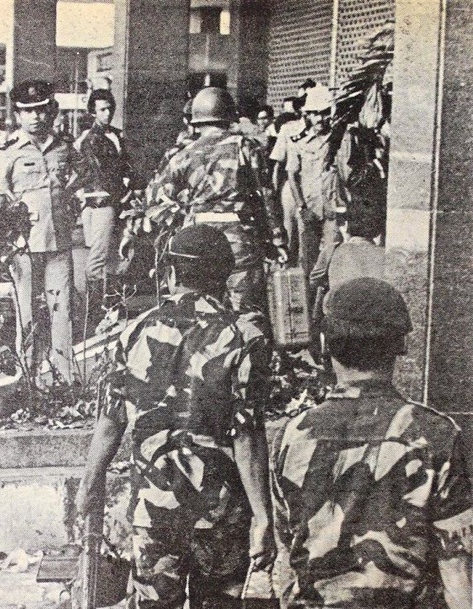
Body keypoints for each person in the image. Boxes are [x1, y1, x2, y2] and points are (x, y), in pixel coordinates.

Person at [76, 224, 275, 609]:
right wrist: (262, 516)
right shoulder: (244, 338)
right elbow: (247, 434)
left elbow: (111, 420)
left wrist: (90, 482)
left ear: (169, 272)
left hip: (153, 507)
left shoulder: (134, 331)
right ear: (225, 277)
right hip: (220, 511)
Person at [270, 277, 472, 609]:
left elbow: (288, 554)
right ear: (400, 346)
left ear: (324, 345)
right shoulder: (436, 435)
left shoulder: (292, 434)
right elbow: (459, 571)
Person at [141, 87, 286, 315]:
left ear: (197, 120)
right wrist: (277, 240)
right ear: (229, 116)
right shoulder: (246, 147)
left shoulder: (183, 154)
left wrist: (183, 220)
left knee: (202, 312)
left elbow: (153, 201)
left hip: (198, 245)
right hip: (240, 242)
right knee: (246, 314)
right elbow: (267, 197)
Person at [0, 79, 81, 384]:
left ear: (51, 111)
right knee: (26, 314)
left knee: (62, 310)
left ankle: (65, 380)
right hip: (24, 246)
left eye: (41, 110)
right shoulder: (6, 151)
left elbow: (80, 179)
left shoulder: (65, 147)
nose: (36, 117)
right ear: (17, 115)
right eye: (28, 112)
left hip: (58, 243)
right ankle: (27, 381)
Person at [74, 88, 137, 332]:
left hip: (107, 201)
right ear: (92, 112)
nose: (107, 113)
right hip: (103, 202)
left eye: (110, 108)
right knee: (98, 260)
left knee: (111, 257)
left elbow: (126, 168)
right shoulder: (92, 140)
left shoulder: (114, 136)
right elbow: (105, 173)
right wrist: (127, 191)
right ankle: (95, 313)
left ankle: (108, 310)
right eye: (102, 109)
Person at [286, 84, 346, 280]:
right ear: (308, 116)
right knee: (308, 263)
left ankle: (324, 305)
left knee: (331, 259)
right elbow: (293, 175)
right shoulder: (298, 141)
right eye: (315, 114)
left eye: (325, 112)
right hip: (309, 209)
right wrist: (302, 207)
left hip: (332, 210)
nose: (320, 118)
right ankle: (311, 307)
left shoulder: (339, 139)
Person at [269, 84, 316, 268]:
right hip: (292, 186)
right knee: (290, 234)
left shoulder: (322, 131)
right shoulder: (288, 129)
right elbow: (278, 164)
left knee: (308, 240)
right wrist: (274, 191)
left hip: (313, 186)